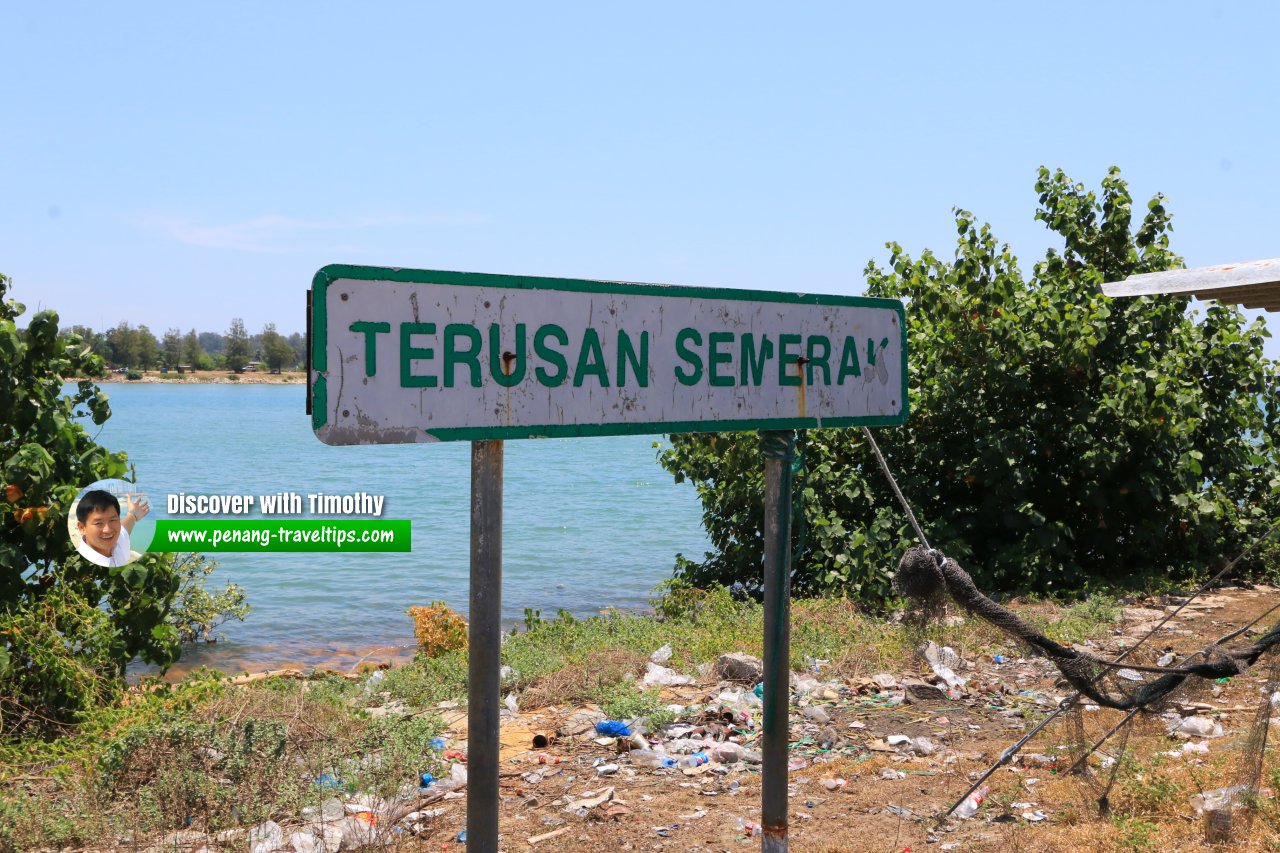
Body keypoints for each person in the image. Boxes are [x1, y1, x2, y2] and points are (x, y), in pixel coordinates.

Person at [74, 489, 149, 567]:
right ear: (82, 528)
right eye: (98, 523)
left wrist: (133, 514)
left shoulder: (118, 541)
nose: (108, 530)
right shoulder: (81, 565)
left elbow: (126, 526)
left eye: (112, 520)